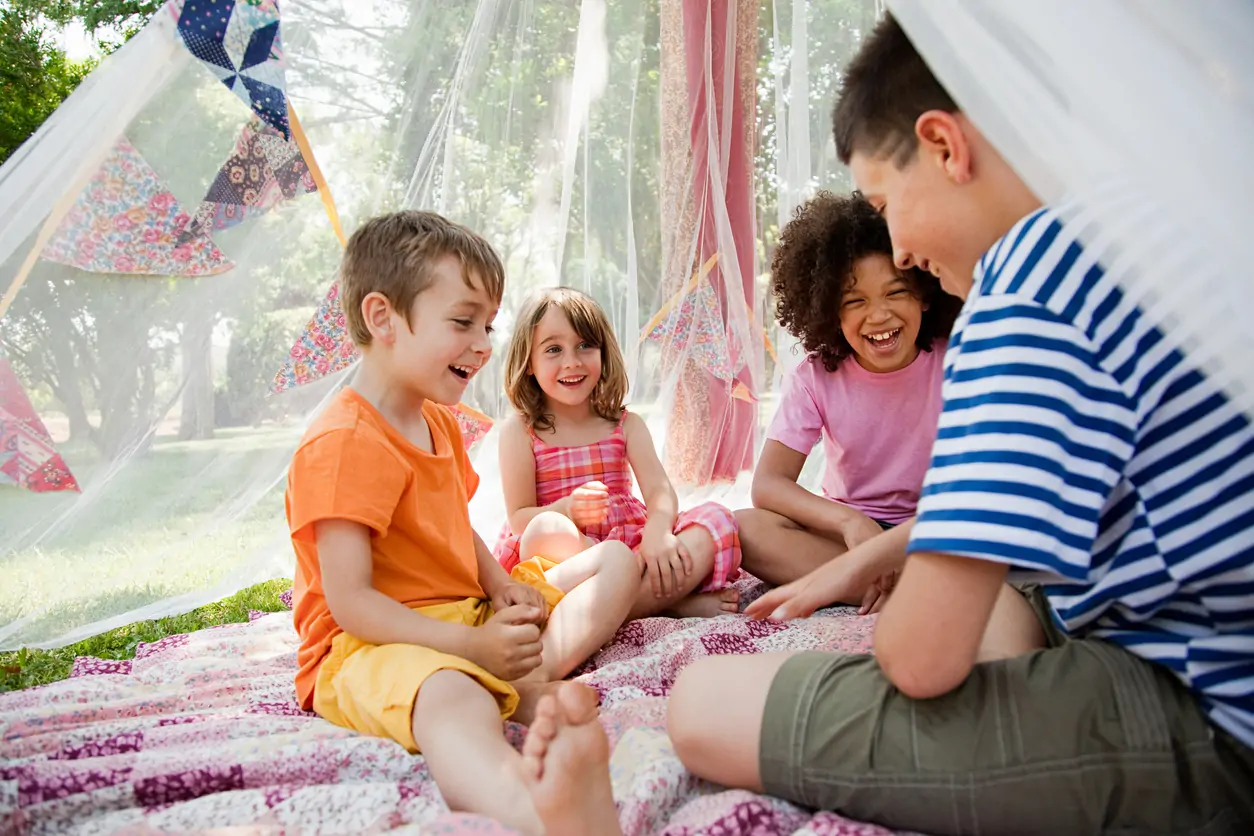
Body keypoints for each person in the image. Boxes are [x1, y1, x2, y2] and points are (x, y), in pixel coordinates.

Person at [666, 14, 1254, 835]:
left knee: (702, 702)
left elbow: (918, 658)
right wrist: (860, 553)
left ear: (944, 144)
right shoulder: (1152, 224)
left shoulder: (1026, 286)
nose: (899, 248)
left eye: (884, 202)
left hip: (1210, 716)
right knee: (1009, 610)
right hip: (1171, 634)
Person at [285, 211, 637, 836]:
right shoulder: (343, 442)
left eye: (488, 325)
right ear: (382, 317)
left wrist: (500, 584)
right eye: (462, 321)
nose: (483, 343)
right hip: (371, 642)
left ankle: (518, 677)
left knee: (615, 561)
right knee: (450, 695)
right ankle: (536, 810)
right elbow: (352, 604)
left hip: (465, 612)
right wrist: (470, 649)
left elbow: (454, 526)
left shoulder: (439, 422)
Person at [736, 191, 961, 604]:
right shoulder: (816, 377)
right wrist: (849, 522)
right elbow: (768, 484)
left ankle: (876, 583)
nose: (878, 316)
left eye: (895, 293)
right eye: (855, 302)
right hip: (848, 537)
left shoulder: (958, 358)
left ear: (925, 295)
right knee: (746, 528)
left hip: (933, 533)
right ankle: (893, 585)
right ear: (827, 312)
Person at [495, 286, 742, 620]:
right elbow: (520, 518)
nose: (572, 362)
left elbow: (659, 492)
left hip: (633, 549)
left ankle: (628, 603)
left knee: (716, 519)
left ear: (602, 352)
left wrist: (657, 534)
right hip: (571, 558)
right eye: (553, 349)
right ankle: (665, 604)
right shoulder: (520, 432)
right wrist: (567, 509)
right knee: (545, 531)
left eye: (585, 345)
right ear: (528, 364)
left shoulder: (625, 424)